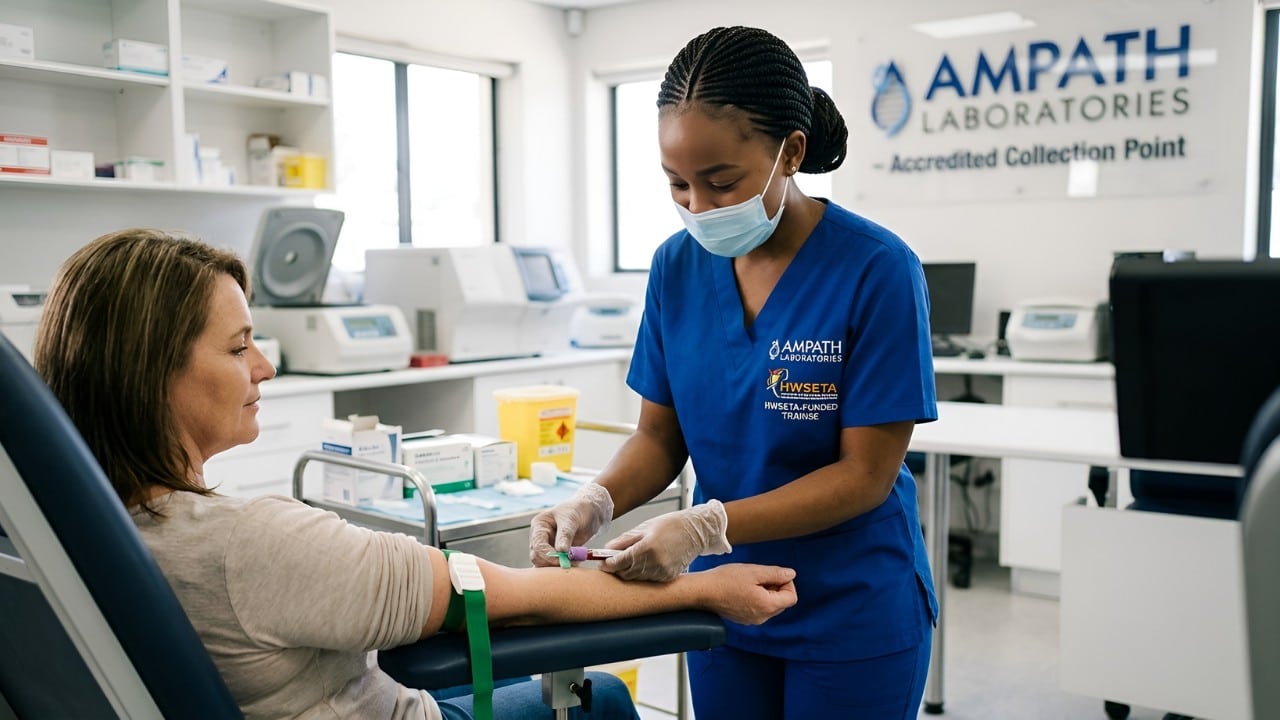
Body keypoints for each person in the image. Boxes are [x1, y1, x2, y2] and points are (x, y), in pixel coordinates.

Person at [33, 228, 799, 720]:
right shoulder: (251, 547)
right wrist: (704, 586)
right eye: (238, 349)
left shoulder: (64, 534)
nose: (265, 366)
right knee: (601, 705)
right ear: (149, 375)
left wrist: (597, 497)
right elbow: (508, 597)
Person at [529, 26, 938, 719]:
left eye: (722, 182)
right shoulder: (675, 267)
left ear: (792, 152)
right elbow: (660, 438)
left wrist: (700, 526)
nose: (698, 207)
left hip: (850, 608)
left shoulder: (877, 269)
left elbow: (864, 476)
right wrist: (593, 502)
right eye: (677, 184)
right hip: (720, 599)